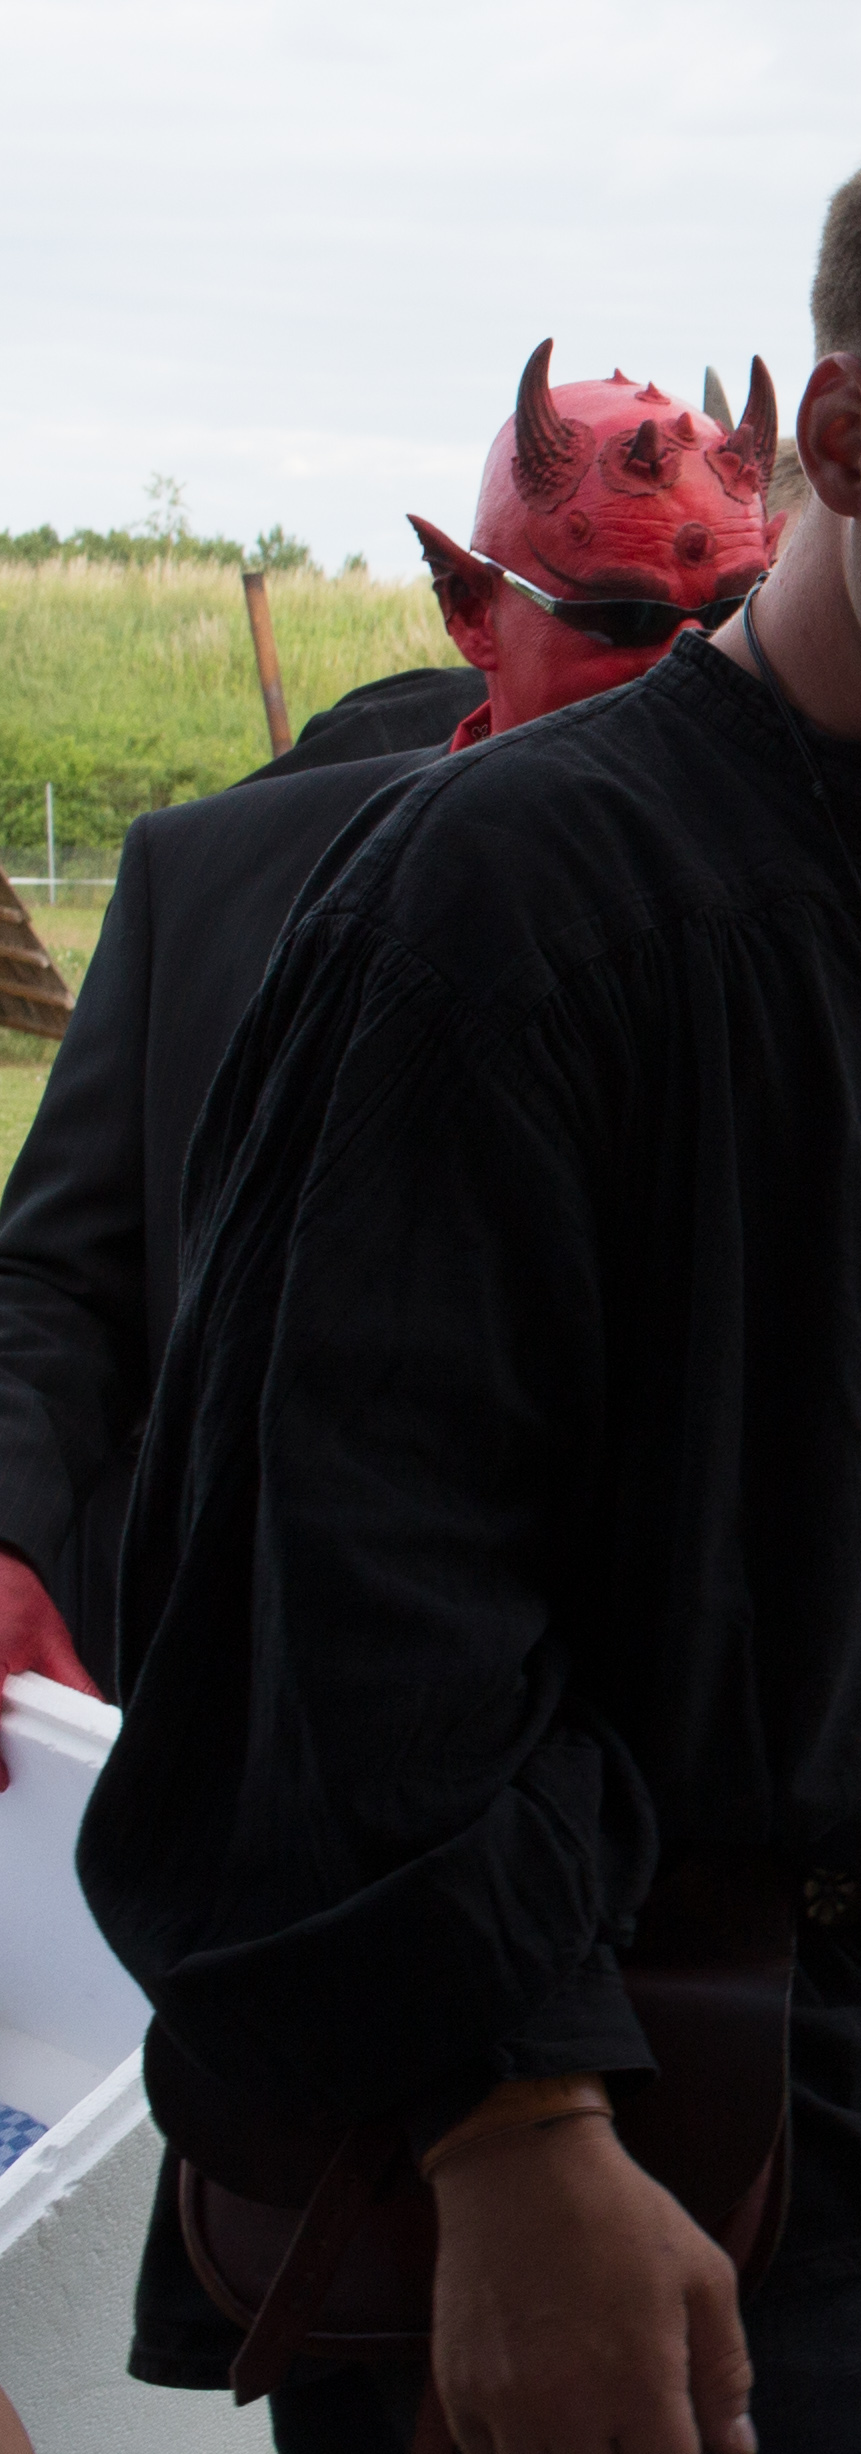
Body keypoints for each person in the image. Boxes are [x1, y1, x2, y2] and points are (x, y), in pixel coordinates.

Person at [82, 96, 861, 2454]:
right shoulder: (513, 902)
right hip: (629, 2183)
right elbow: (347, 1557)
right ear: (847, 435)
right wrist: (510, 2118)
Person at [0, 345, 778, 1693]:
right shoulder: (213, 884)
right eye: (620, 620)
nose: (687, 675)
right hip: (254, 1701)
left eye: (733, 617)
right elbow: (63, 1283)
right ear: (473, 608)